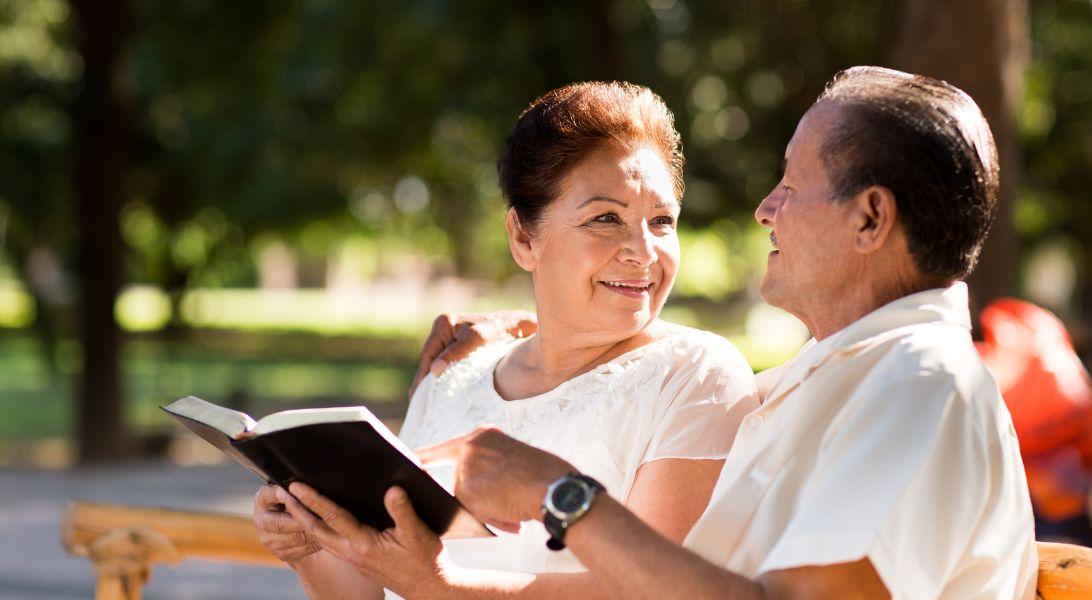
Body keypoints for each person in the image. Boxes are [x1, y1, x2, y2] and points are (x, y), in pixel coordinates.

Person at [278, 66, 1040, 599]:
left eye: (791, 186)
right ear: (523, 236)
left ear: (870, 217)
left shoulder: (916, 387)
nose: (764, 210)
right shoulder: (840, 376)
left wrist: (553, 491)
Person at [253, 81, 758, 598]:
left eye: (661, 221)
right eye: (606, 219)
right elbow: (377, 589)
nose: (644, 251)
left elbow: (658, 591)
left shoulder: (697, 375)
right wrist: (313, 545)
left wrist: (445, 588)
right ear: (522, 237)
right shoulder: (451, 376)